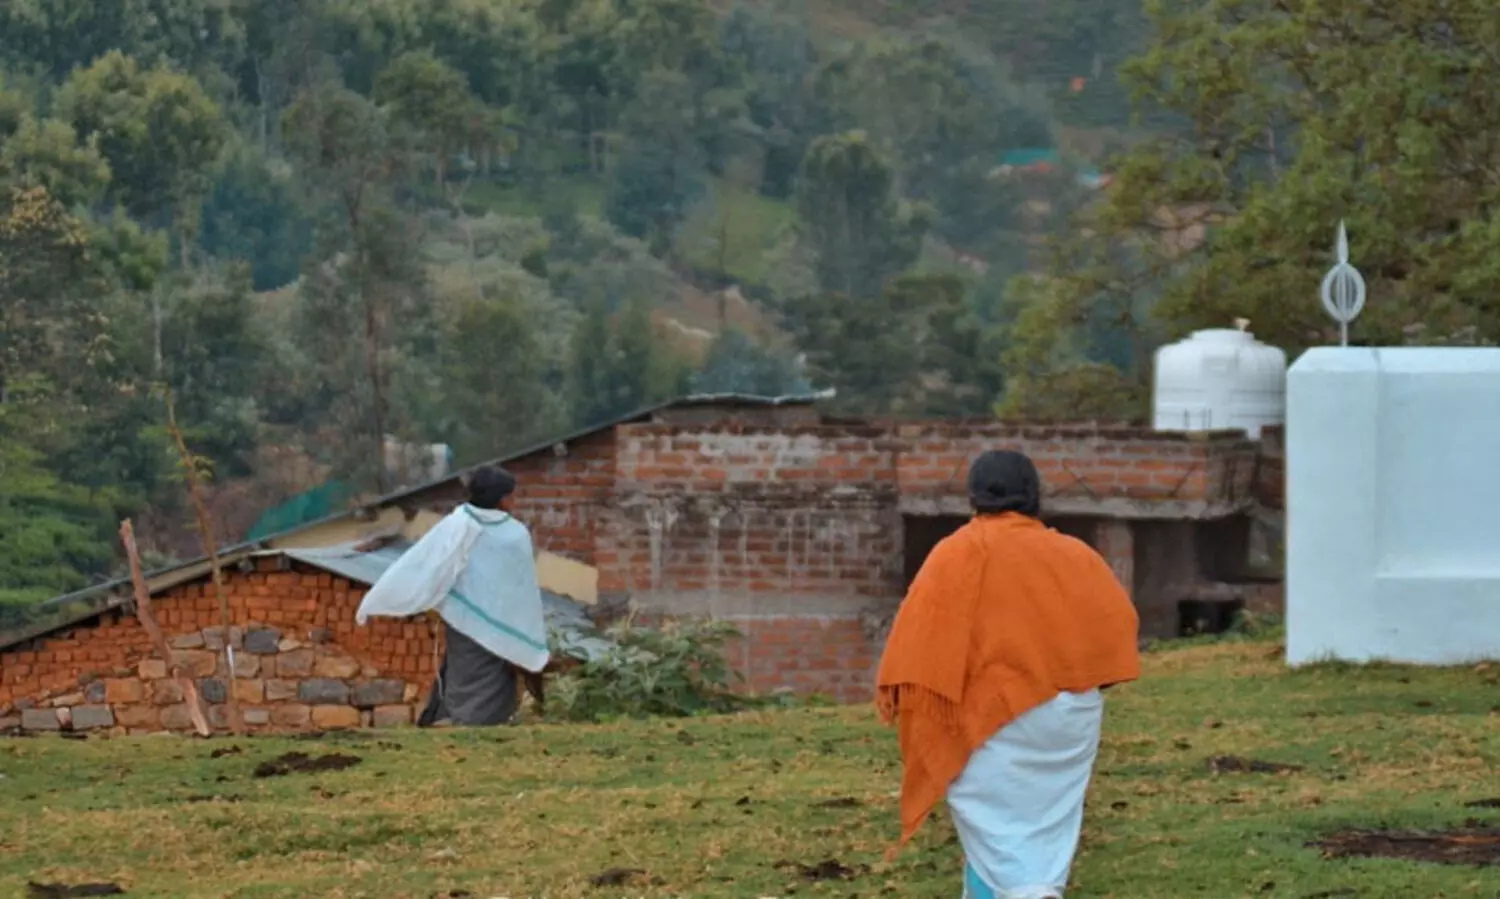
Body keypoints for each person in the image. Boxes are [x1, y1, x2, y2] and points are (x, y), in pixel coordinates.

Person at [875, 450, 1140, 899]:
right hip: (1066, 724)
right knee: (1038, 835)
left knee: (995, 837)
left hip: (990, 724)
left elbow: (918, 644)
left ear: (973, 496)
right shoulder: (1073, 553)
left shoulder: (956, 552)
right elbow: (1117, 626)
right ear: (1034, 495)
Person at [356, 465, 550, 726]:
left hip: (466, 618)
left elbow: (428, 562)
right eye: (511, 495)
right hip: (496, 621)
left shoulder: (457, 523)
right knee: (475, 674)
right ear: (502, 498)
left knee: (469, 673)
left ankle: (465, 720)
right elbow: (520, 588)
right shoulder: (513, 534)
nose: (513, 501)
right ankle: (470, 723)